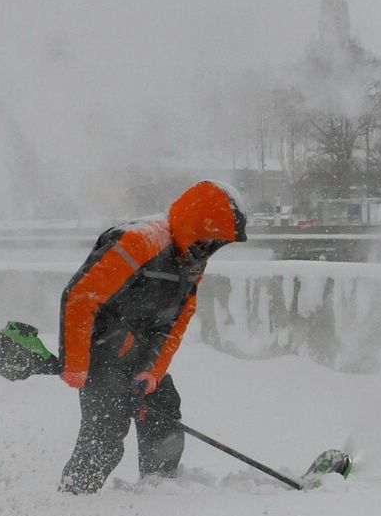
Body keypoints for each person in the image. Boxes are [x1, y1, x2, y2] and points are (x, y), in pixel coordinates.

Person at [56, 181, 246, 494]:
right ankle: (73, 497)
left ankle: (158, 492)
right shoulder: (141, 241)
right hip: (101, 351)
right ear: (194, 225)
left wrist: (153, 371)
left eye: (217, 243)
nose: (211, 247)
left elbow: (176, 322)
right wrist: (76, 363)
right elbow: (80, 298)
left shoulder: (192, 261)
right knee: (106, 432)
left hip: (138, 352)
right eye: (210, 238)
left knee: (164, 411)